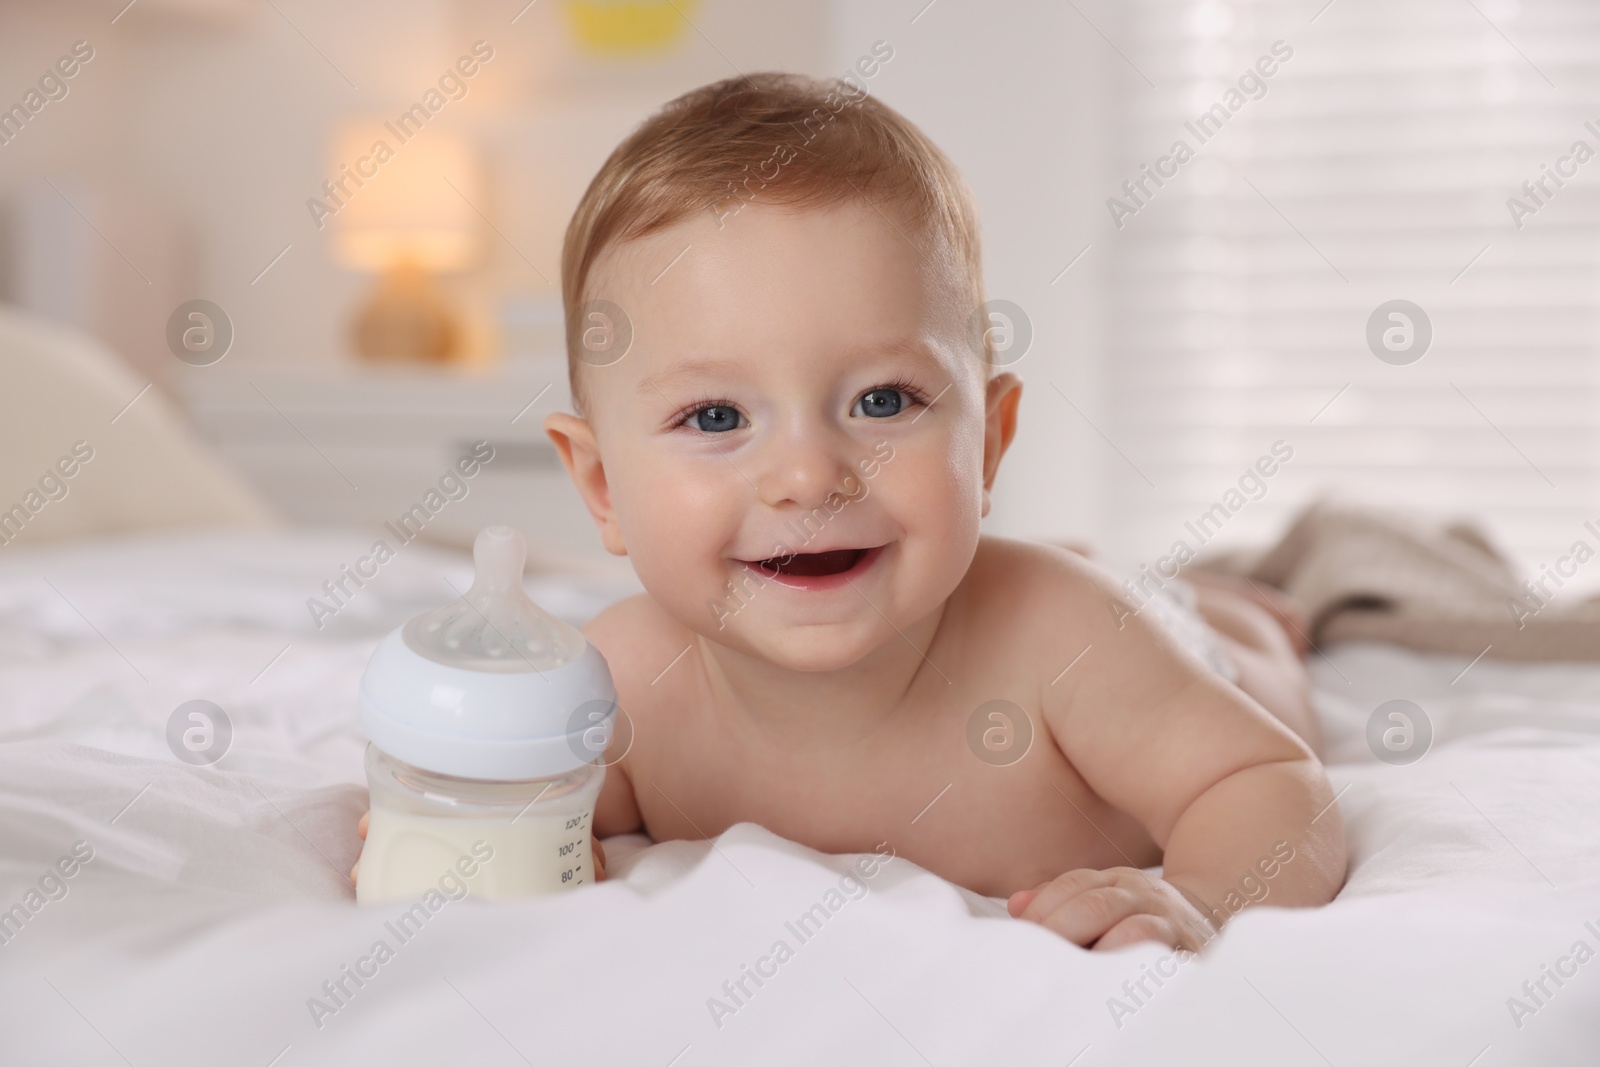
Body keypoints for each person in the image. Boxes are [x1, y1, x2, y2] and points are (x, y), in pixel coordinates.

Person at [357, 71, 1345, 951]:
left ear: (989, 441)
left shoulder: (1064, 641)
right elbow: (549, 803)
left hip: (1155, 632)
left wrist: (1208, 897)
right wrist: (477, 825)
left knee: (1242, 649)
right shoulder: (624, 685)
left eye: (881, 402)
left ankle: (1235, 606)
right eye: (715, 415)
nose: (806, 475)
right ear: (603, 487)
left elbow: (1268, 782)